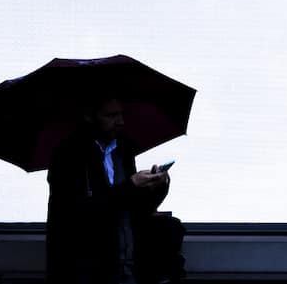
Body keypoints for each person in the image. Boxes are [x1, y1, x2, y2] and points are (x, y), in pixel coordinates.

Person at [45, 97, 186, 284]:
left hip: (127, 263)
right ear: (89, 116)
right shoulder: (68, 155)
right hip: (88, 268)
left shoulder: (124, 149)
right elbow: (75, 214)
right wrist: (131, 186)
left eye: (121, 114)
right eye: (111, 115)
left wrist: (155, 187)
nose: (120, 121)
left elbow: (134, 209)